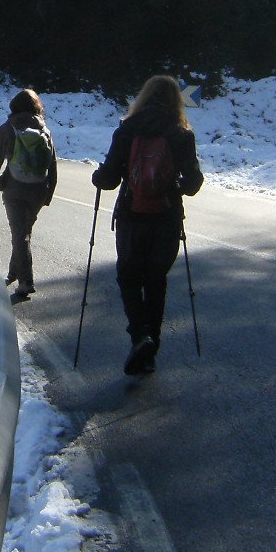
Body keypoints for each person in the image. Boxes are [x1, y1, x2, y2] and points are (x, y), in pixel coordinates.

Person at [91, 75, 204, 375]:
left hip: (131, 216)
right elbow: (193, 183)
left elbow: (110, 177)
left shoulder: (127, 130)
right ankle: (151, 351)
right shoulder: (181, 134)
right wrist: (174, 187)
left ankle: (139, 336)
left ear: (143, 97)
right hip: (166, 219)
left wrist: (99, 177)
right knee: (156, 281)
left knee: (128, 276)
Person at [0, 88, 58, 302]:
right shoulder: (44, 130)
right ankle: (14, 273)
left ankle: (26, 282)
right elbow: (52, 164)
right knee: (24, 232)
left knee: (19, 234)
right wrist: (49, 193)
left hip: (15, 190)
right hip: (39, 190)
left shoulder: (8, 128)